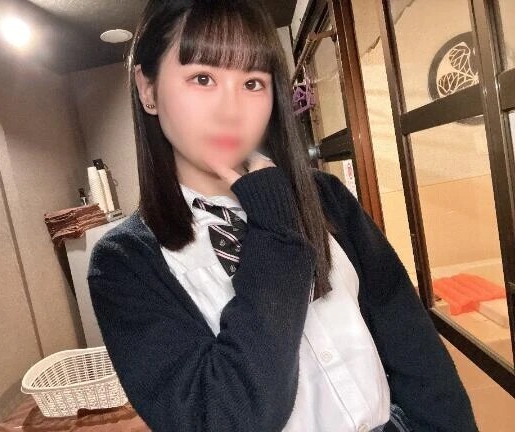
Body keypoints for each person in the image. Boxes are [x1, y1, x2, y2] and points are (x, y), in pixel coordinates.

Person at [87, 1, 478, 431]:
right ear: (148, 90)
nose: (232, 110)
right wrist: (275, 229)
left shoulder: (324, 197)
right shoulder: (124, 262)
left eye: (253, 82)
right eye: (203, 78)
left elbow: (414, 347)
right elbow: (226, 417)